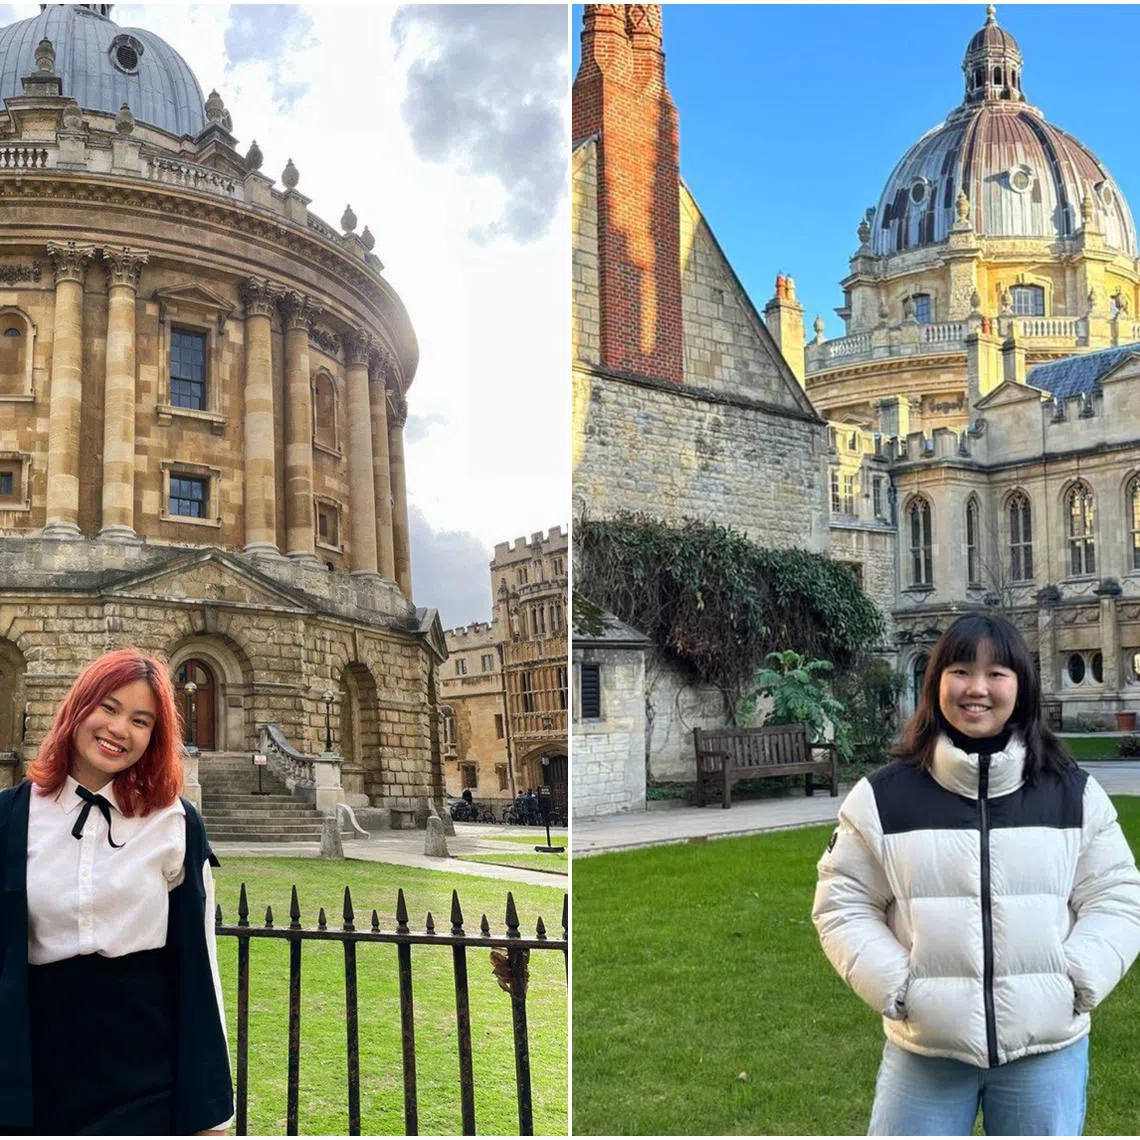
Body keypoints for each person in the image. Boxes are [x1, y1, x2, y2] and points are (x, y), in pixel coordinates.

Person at [813, 613, 1140, 1136]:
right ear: (937, 681)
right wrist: (900, 987)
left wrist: (1076, 979)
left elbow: (1119, 897)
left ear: (1021, 686)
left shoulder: (1072, 794)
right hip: (926, 1052)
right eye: (961, 670)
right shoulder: (883, 798)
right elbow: (842, 903)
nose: (977, 689)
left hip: (1044, 1050)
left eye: (996, 674)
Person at [0, 648, 234, 1135]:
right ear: (77, 708)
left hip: (146, 1072)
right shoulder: (11, 817)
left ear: (154, 737)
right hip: (36, 1067)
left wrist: (213, 1110)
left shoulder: (174, 823)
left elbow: (199, 964)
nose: (119, 729)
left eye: (141, 720)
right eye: (108, 707)